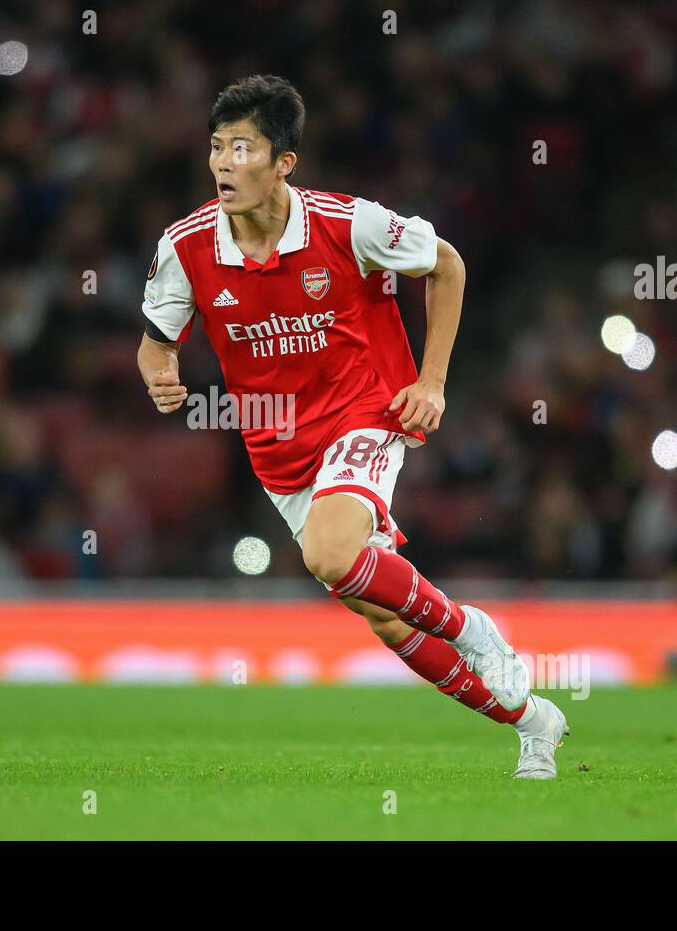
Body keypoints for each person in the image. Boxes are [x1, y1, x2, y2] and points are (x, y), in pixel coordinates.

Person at [137, 75, 568, 778]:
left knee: (331, 555)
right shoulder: (186, 246)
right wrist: (158, 372)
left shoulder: (348, 224)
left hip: (365, 411)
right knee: (387, 617)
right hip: (278, 448)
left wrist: (431, 381)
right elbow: (156, 339)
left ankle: (473, 629)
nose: (222, 163)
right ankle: (531, 720)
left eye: (242, 148)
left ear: (283, 163)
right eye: (216, 147)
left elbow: (448, 264)